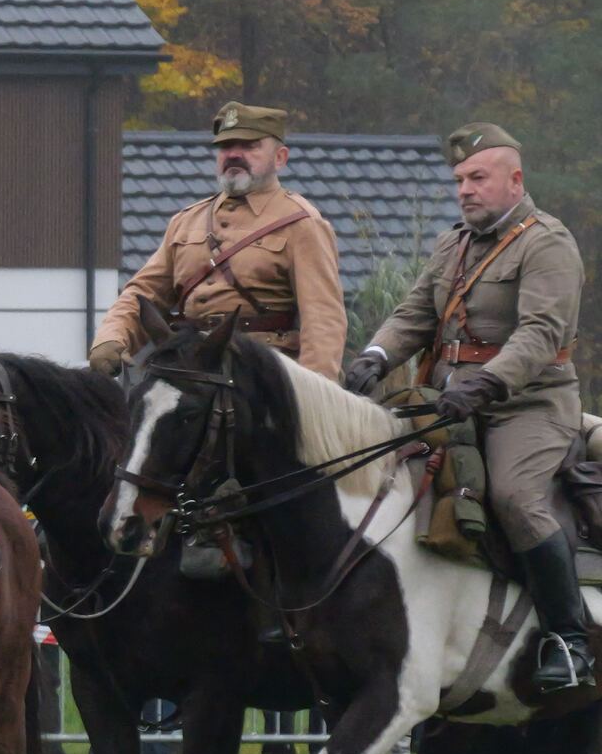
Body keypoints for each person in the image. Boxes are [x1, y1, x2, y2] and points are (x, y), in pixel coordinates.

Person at [346, 122, 591, 692]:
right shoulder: (452, 244)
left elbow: (540, 334)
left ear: (515, 180)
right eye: (459, 180)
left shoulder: (547, 243)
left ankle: (570, 641)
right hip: (447, 401)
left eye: (477, 178)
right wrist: (375, 357)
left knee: (514, 496)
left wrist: (485, 384)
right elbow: (413, 315)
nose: (464, 190)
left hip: (527, 405)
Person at [92, 102, 347, 379]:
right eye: (226, 147)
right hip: (189, 369)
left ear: (280, 158)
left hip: (262, 374)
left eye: (249, 146)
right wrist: (112, 336)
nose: (234, 154)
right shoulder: (186, 221)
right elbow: (143, 292)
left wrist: (314, 391)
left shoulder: (302, 224)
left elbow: (322, 319)